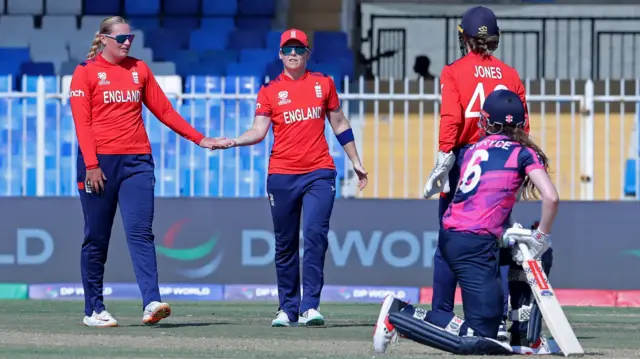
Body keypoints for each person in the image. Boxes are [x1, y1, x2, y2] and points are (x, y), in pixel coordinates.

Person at [374, 89, 559, 355]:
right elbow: (551, 198)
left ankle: (520, 335)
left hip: (454, 236)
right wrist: (541, 235)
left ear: (490, 122)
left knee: (520, 262)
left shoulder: (472, 150)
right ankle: (400, 314)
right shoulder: (522, 153)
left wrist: (506, 236)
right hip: (475, 243)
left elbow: (479, 200)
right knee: (484, 337)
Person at [69, 16, 222, 327]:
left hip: (137, 162)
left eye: (130, 37)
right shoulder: (85, 73)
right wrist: (92, 165)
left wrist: (200, 138)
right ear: (103, 39)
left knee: (141, 233)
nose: (127, 42)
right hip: (99, 164)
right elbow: (82, 123)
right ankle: (94, 309)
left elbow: (164, 110)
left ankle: (152, 301)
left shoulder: (139, 70)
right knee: (96, 238)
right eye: (121, 38)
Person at [214, 29, 368, 327]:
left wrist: (356, 161)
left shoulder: (323, 84)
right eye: (288, 49)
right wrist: (233, 141)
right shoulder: (269, 91)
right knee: (285, 244)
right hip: (282, 176)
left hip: (319, 173)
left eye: (299, 49)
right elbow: (258, 131)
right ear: (280, 54)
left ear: (307, 53)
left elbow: (338, 122)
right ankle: (287, 308)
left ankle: (310, 306)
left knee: (314, 237)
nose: (293, 54)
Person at [422, 5, 530, 340]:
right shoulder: (509, 75)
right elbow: (522, 122)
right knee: (491, 238)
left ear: (465, 38)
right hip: (503, 159)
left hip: (465, 157)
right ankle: (495, 317)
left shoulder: (454, 71)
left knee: (450, 238)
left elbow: (451, 118)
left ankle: (441, 311)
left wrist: (443, 157)